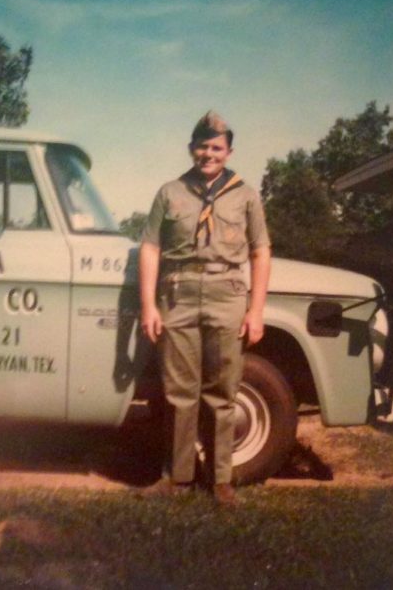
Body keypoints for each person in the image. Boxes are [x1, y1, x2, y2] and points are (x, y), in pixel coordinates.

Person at [139, 111, 271, 504]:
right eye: (202, 146)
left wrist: (256, 310)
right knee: (179, 391)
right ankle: (177, 479)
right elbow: (150, 247)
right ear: (191, 149)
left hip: (227, 293)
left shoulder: (246, 195)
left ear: (228, 152)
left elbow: (261, 251)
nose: (208, 153)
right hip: (177, 293)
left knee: (222, 390)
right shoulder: (169, 192)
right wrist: (149, 305)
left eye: (216, 147)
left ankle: (221, 482)